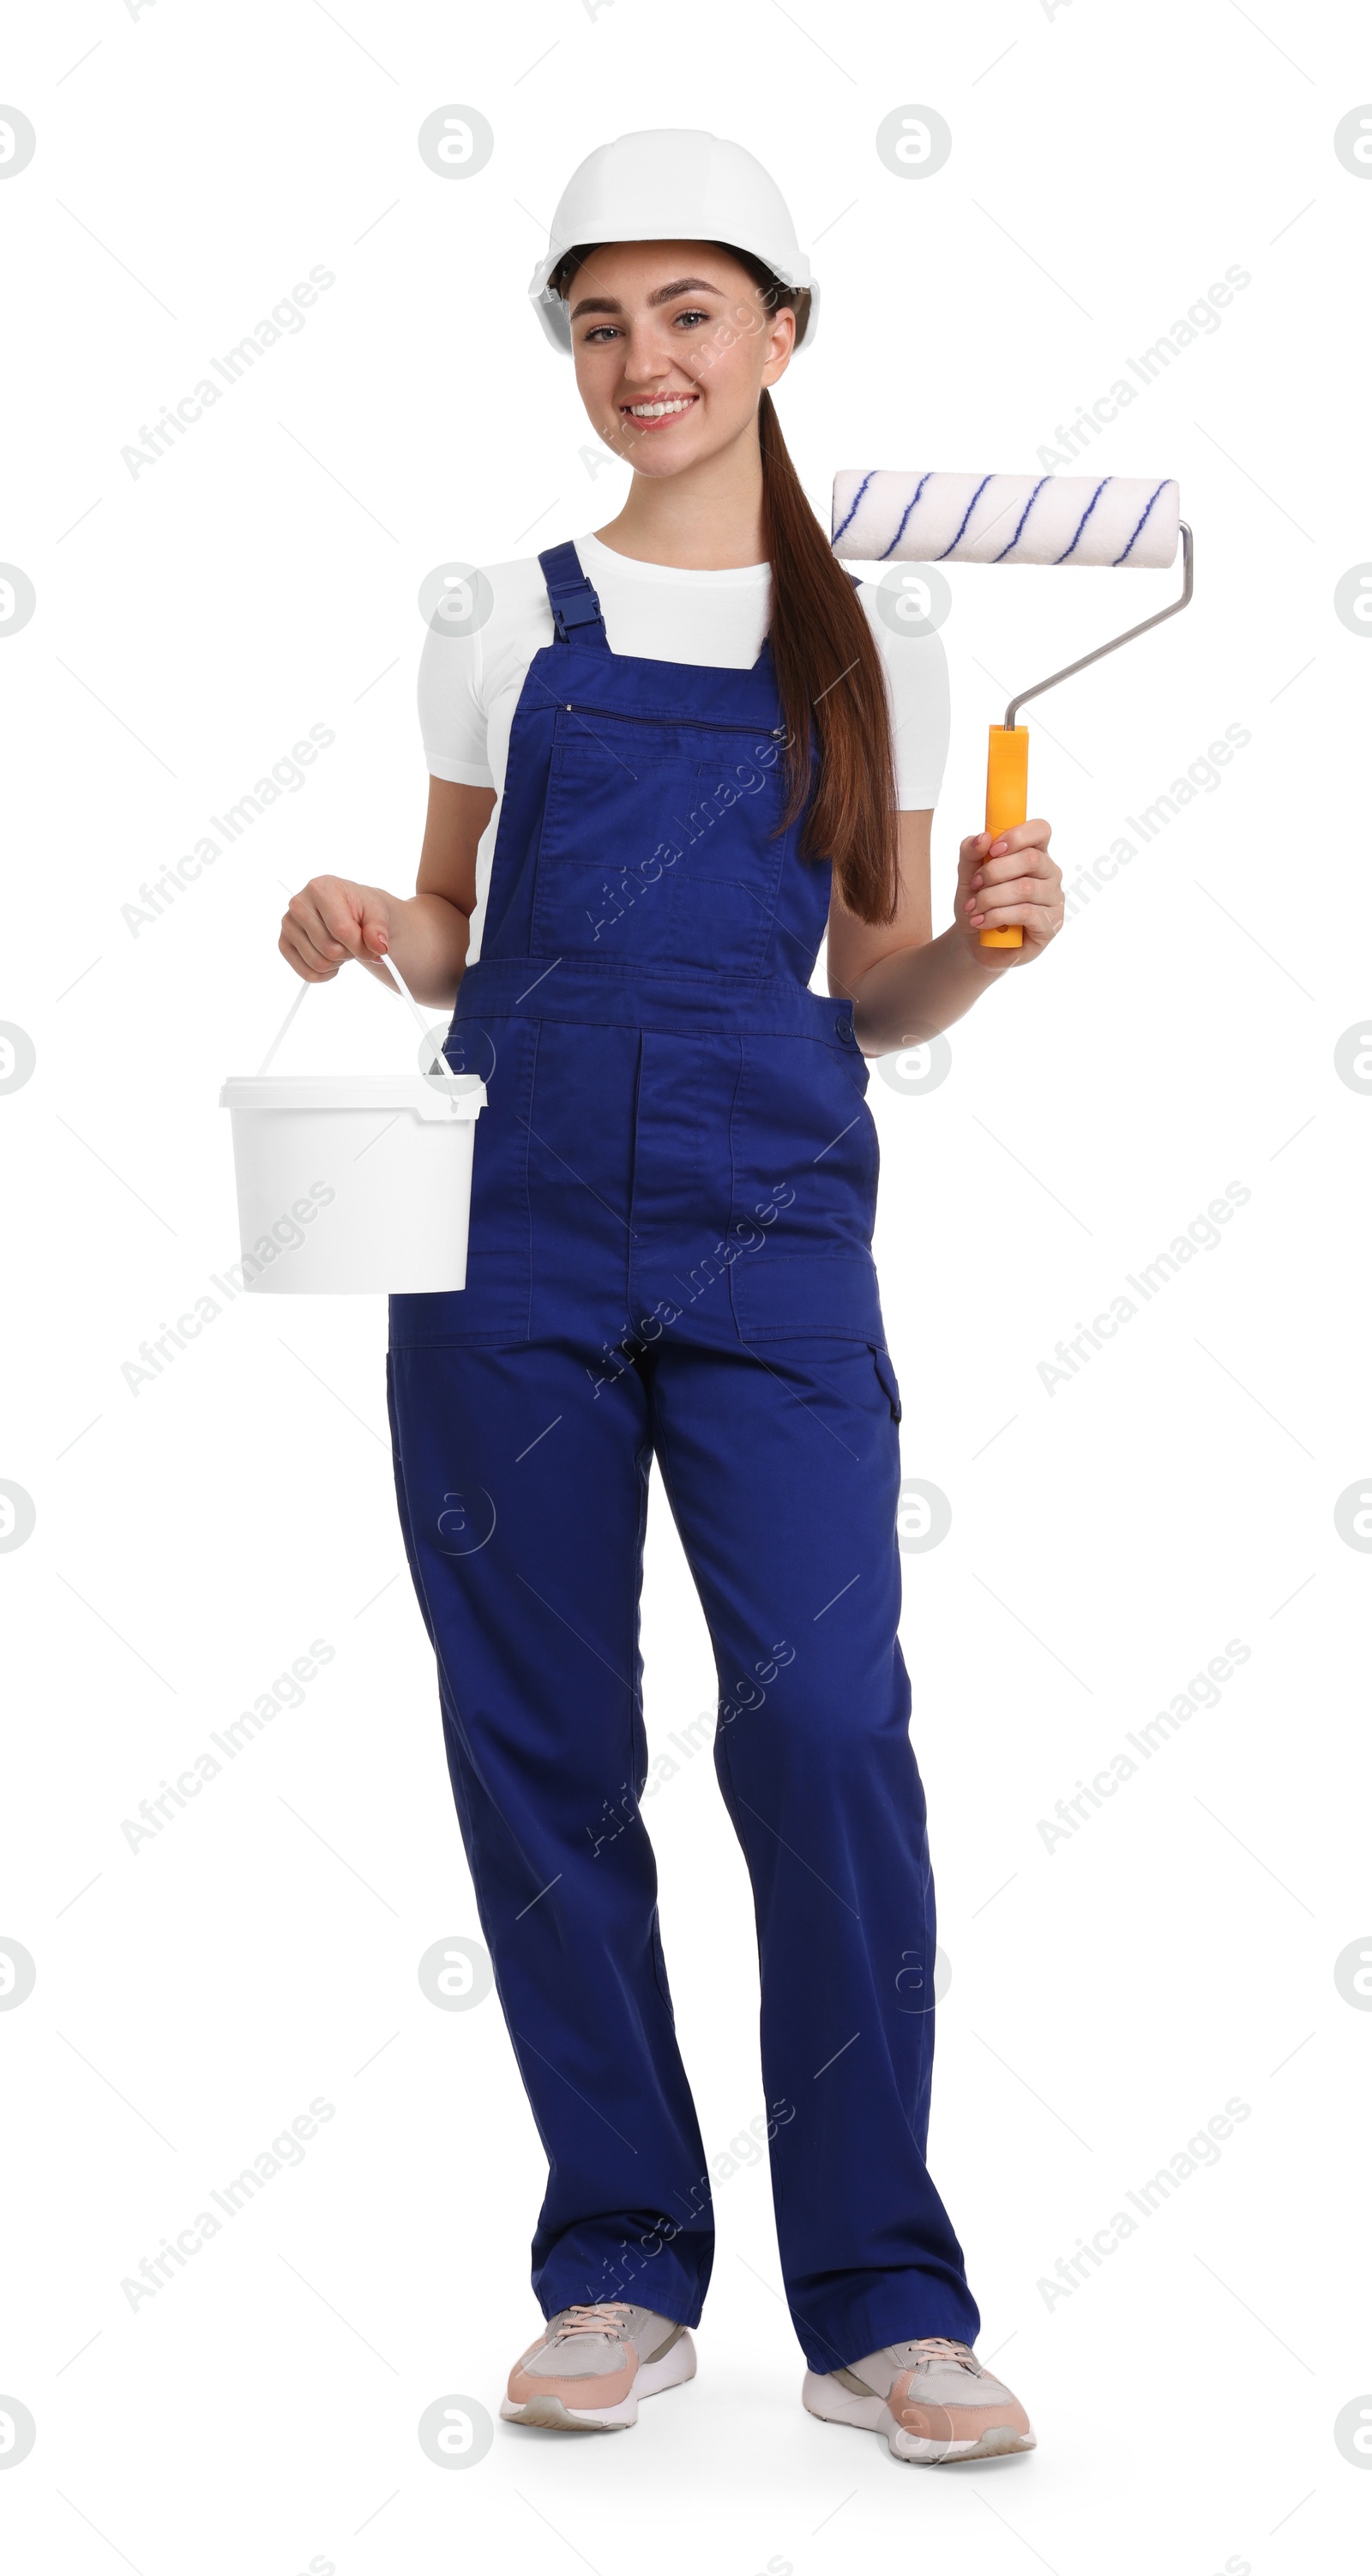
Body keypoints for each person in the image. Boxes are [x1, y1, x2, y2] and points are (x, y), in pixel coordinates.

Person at [280, 129, 1062, 2466]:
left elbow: (884, 986)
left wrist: (992, 944)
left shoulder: (882, 643)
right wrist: (366, 924)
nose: (646, 359)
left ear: (784, 337)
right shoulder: (496, 618)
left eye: (691, 314)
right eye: (602, 321)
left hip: (775, 1238)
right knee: (539, 1735)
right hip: (502, 1234)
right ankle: (620, 2256)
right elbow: (458, 930)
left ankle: (883, 2292)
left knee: (823, 1722)